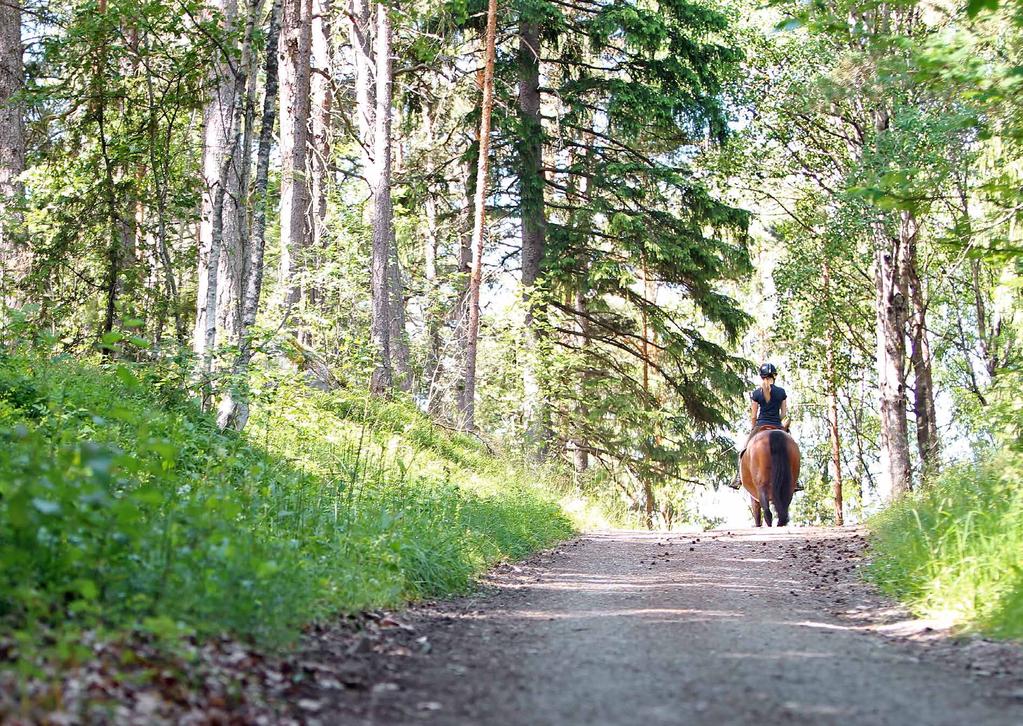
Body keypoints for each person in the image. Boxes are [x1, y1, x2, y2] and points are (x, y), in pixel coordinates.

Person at [728, 362, 794, 489]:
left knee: (743, 450)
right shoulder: (781, 392)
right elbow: (784, 413)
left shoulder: (757, 393)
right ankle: (796, 480)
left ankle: (738, 478)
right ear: (774, 376)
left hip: (761, 425)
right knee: (790, 449)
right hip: (777, 426)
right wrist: (777, 421)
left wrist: (754, 427)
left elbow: (753, 415)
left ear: (762, 377)